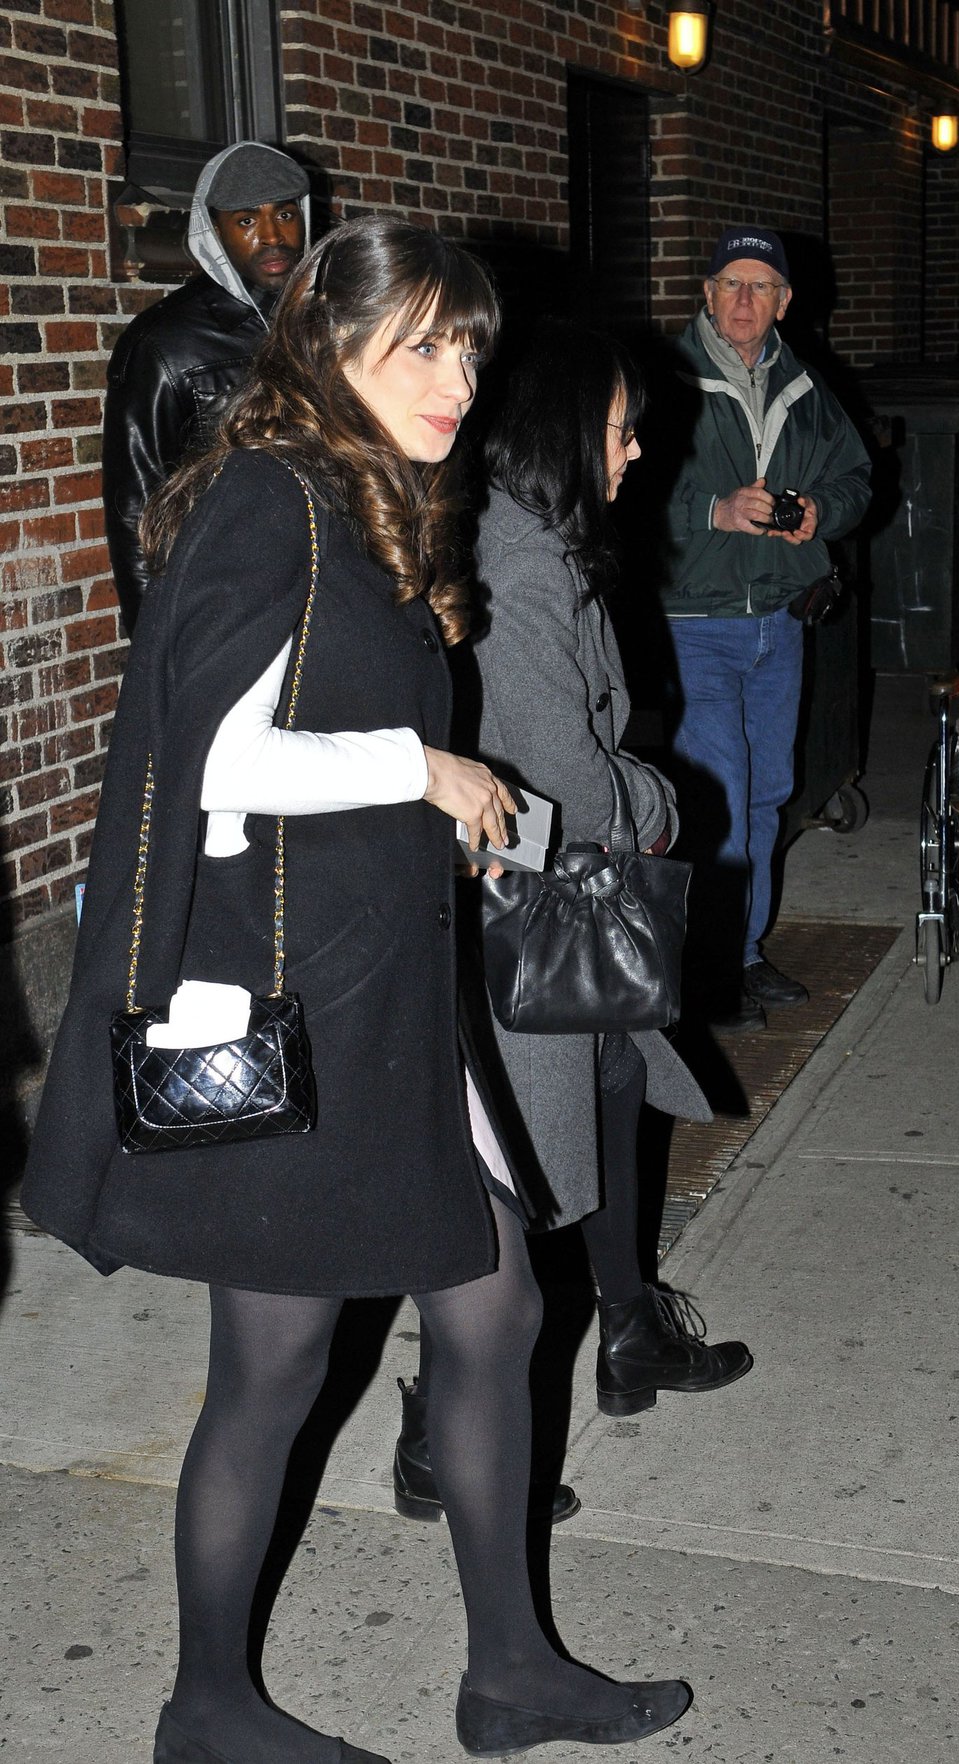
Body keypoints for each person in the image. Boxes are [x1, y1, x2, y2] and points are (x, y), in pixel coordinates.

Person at [21, 218, 691, 1763]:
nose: (457, 376)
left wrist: (446, 824)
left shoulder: (367, 497)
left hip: (380, 992)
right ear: (331, 348)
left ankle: (510, 1672)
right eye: (422, 344)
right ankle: (207, 1706)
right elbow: (216, 761)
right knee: (269, 1371)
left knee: (501, 1298)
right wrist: (425, 766)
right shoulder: (272, 498)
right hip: (297, 1010)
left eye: (468, 344)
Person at [389, 323, 751, 1504]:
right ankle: (441, 1435)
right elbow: (576, 778)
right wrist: (659, 797)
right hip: (522, 901)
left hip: (556, 897)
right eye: (618, 427)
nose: (638, 449)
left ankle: (633, 1330)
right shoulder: (516, 558)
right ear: (558, 431)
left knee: (608, 1103)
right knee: (512, 1176)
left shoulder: (542, 540)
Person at [661, 225, 872, 1030]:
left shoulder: (805, 386)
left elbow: (858, 478)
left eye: (762, 287)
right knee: (719, 796)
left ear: (784, 302)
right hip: (695, 622)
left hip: (780, 624)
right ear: (706, 294)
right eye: (731, 284)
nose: (744, 301)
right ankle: (707, 965)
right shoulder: (665, 377)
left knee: (769, 794)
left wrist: (822, 512)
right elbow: (616, 485)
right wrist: (712, 510)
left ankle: (742, 952)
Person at [102, 141, 310, 632]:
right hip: (228, 608)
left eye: (284, 214)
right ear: (212, 230)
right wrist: (157, 644)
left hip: (328, 593)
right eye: (245, 221)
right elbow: (137, 509)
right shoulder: (163, 344)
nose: (272, 237)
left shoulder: (327, 324)